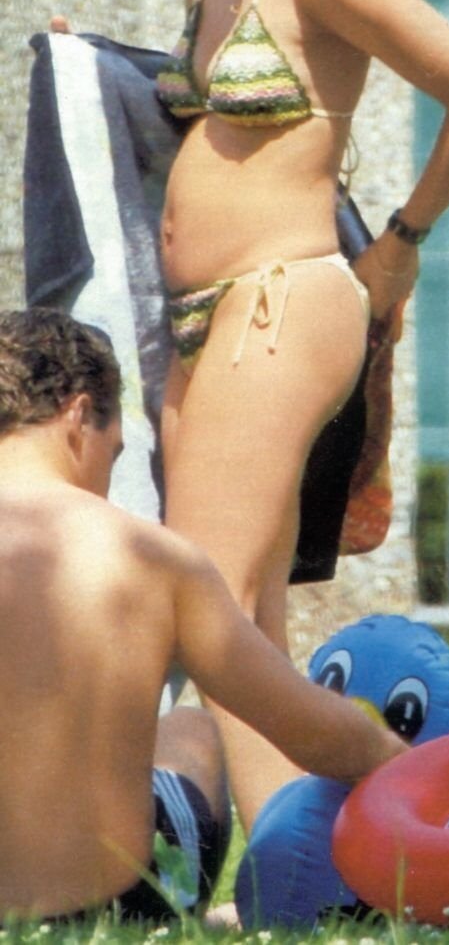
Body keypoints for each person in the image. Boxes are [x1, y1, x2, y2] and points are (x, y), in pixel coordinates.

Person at [54, 0, 449, 835]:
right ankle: (291, 867)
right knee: (245, 619)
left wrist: (401, 241)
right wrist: (91, 70)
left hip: (282, 304)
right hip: (208, 320)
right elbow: (216, 130)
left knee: (201, 605)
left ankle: (419, 812)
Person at [0, 307, 404, 923]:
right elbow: (312, 733)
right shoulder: (149, 556)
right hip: (105, 907)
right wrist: (408, 763)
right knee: (192, 732)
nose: (106, 481)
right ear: (78, 416)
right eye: (113, 454)